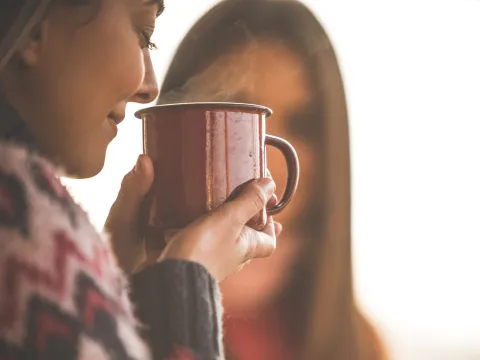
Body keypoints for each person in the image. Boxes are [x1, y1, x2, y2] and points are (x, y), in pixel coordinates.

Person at [0, 1, 281, 359]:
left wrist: (110, 282)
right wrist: (187, 285)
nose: (149, 88)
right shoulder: (18, 228)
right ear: (35, 27)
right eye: (143, 35)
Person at [159, 0, 387, 359]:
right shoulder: (105, 311)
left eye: (301, 123)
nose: (268, 154)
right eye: (240, 115)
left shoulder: (360, 344)